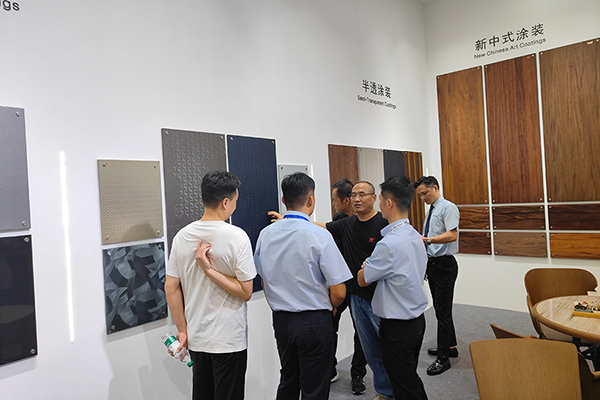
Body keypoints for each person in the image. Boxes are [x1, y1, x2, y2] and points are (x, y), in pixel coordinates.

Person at [255, 172, 352, 400]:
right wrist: (332, 307)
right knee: (315, 387)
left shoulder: (265, 234)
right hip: (315, 321)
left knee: (288, 379)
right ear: (311, 200)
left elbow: (263, 279)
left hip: (282, 320)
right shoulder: (320, 235)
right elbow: (339, 292)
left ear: (283, 200)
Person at [165, 171, 257, 400]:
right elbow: (245, 292)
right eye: (235, 200)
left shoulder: (182, 236)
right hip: (228, 340)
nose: (235, 205)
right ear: (225, 202)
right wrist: (209, 270)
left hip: (197, 337)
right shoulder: (236, 236)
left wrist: (182, 330)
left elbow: (171, 287)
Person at [358, 176, 429, 400]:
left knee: (405, 386)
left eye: (380, 199)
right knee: (407, 378)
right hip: (416, 321)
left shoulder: (388, 244)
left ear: (388, 203)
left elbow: (362, 279)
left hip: (397, 327)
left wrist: (366, 265)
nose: (379, 204)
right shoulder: (414, 235)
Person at [414, 176, 460, 376]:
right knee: (442, 310)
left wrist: (428, 240)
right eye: (419, 195)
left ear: (435, 188)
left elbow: (452, 235)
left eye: (425, 193)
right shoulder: (432, 210)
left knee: (442, 312)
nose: (422, 197)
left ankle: (443, 359)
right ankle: (451, 347)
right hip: (433, 265)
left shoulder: (447, 207)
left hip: (444, 266)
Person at [330, 179, 367, 394]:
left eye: (335, 200)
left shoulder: (352, 224)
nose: (333, 203)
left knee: (359, 331)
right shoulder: (340, 222)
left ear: (345, 201)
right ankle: (346, 372)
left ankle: (356, 374)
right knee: (333, 327)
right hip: (340, 286)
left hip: (354, 287)